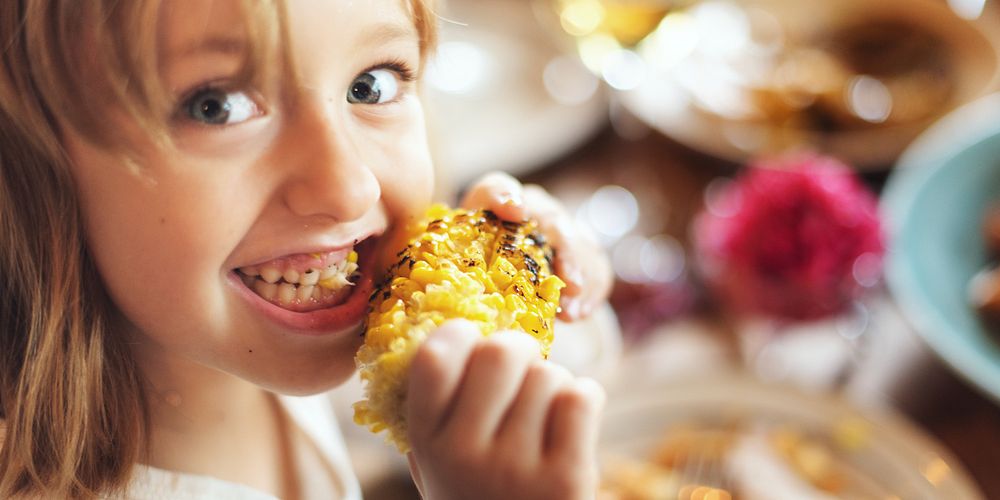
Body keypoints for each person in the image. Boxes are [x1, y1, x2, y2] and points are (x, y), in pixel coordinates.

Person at [0, 0, 613, 498]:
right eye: (217, 106)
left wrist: (543, 293)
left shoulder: (282, 336)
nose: (349, 189)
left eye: (369, 86)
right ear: (30, 161)